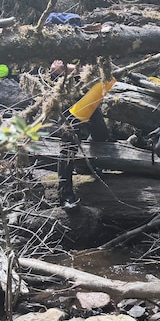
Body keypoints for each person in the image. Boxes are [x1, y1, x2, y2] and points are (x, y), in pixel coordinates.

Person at [51, 60, 115, 209]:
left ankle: (85, 166)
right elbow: (56, 67)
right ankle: (65, 195)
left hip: (89, 96)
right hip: (68, 95)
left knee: (101, 135)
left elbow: (109, 67)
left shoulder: (96, 48)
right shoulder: (64, 41)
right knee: (69, 143)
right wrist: (84, 70)